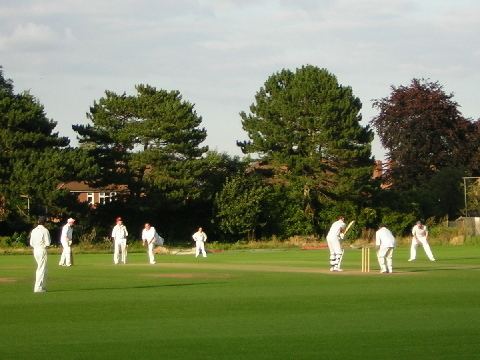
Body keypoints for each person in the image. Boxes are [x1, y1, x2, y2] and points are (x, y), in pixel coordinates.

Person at [29, 216, 51, 293]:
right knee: (41, 269)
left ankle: (42, 286)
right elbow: (48, 243)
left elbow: (31, 243)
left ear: (38, 222)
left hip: (35, 250)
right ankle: (38, 288)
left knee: (43, 268)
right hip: (42, 250)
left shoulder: (34, 230)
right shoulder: (45, 230)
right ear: (44, 222)